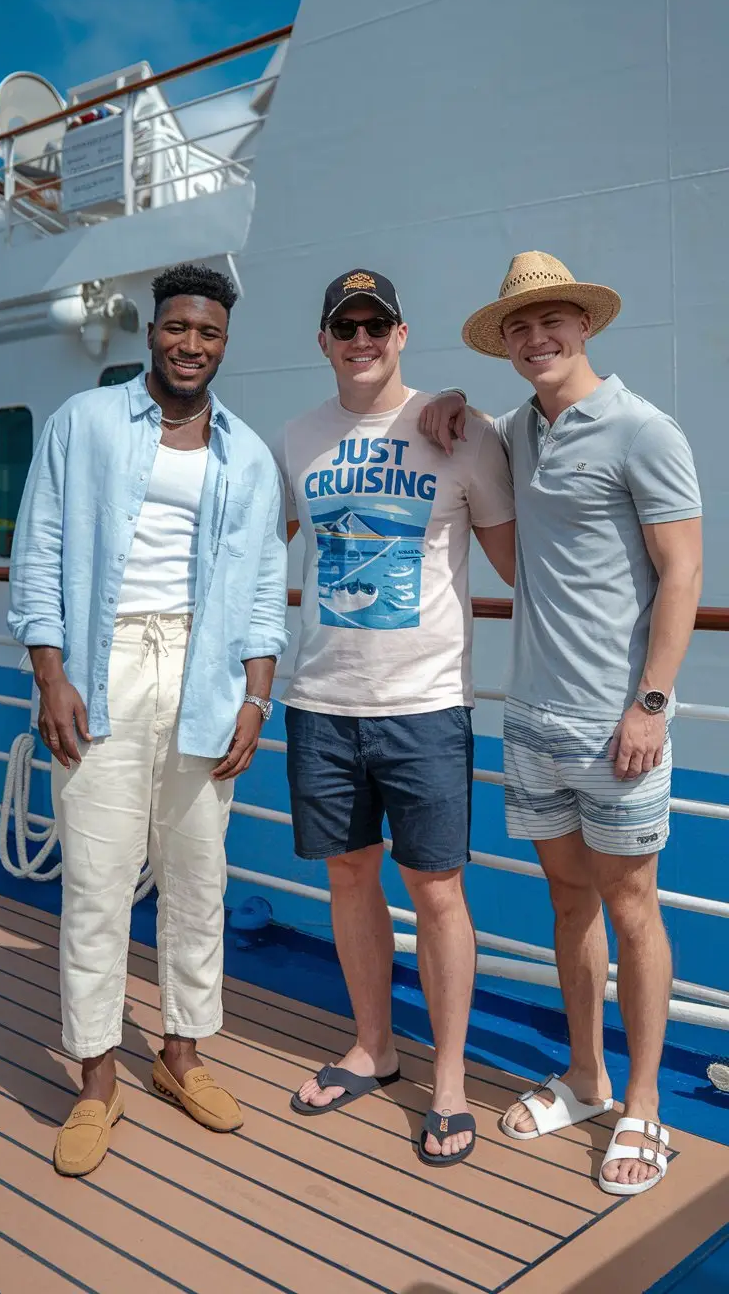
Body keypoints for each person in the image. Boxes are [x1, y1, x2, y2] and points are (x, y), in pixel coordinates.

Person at [419, 250, 703, 1195]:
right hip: (532, 718)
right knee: (569, 904)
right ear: (507, 344)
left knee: (633, 907)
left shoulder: (643, 431)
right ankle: (584, 1077)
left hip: (618, 723)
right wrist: (445, 403)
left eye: (554, 323)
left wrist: (652, 704)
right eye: (520, 328)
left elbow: (685, 574)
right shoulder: (518, 432)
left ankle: (645, 1105)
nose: (537, 339)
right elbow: (464, 433)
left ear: (586, 327)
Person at [9, 262, 288, 1177]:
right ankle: (96, 1079)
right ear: (153, 331)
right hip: (106, 663)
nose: (190, 345)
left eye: (207, 333)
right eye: (177, 328)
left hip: (207, 674)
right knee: (95, 878)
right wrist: (52, 677)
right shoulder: (84, 425)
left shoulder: (245, 453)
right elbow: (39, 550)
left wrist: (257, 696)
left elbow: (257, 594)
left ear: (224, 340)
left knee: (197, 874)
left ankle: (180, 1056)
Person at [273, 269, 515, 1166]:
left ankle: (447, 1080)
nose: (362, 338)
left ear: (402, 334)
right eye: (347, 325)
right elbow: (258, 554)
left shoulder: (459, 431)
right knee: (348, 878)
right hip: (322, 702)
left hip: (425, 707)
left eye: (377, 324)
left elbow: (525, 565)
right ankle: (374, 1047)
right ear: (326, 342)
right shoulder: (297, 437)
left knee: (438, 892)